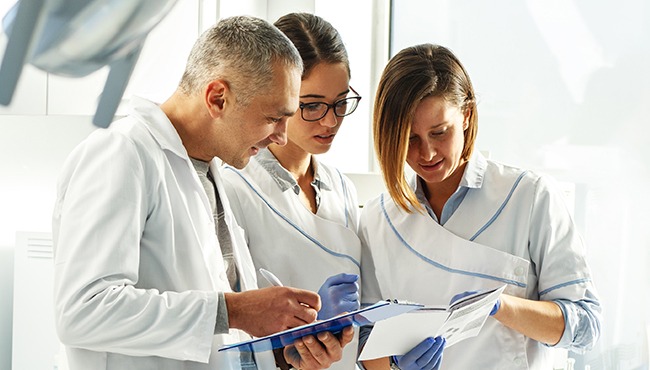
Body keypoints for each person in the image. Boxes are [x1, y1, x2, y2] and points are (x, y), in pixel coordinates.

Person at [52, 16, 353, 370]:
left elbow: (217, 337)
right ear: (218, 98)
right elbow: (82, 311)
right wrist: (236, 310)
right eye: (274, 118)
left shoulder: (211, 172)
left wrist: (287, 354)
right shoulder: (121, 154)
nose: (282, 137)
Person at [359, 43, 602, 369]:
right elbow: (367, 344)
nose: (427, 153)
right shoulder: (378, 219)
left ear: (467, 116)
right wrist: (395, 366)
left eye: (439, 132)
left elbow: (585, 327)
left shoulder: (529, 197)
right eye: (410, 138)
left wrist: (501, 306)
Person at [222, 13, 362, 370]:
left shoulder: (341, 188)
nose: (331, 121)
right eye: (312, 105)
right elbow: (227, 334)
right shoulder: (234, 185)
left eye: (341, 102)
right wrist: (292, 352)